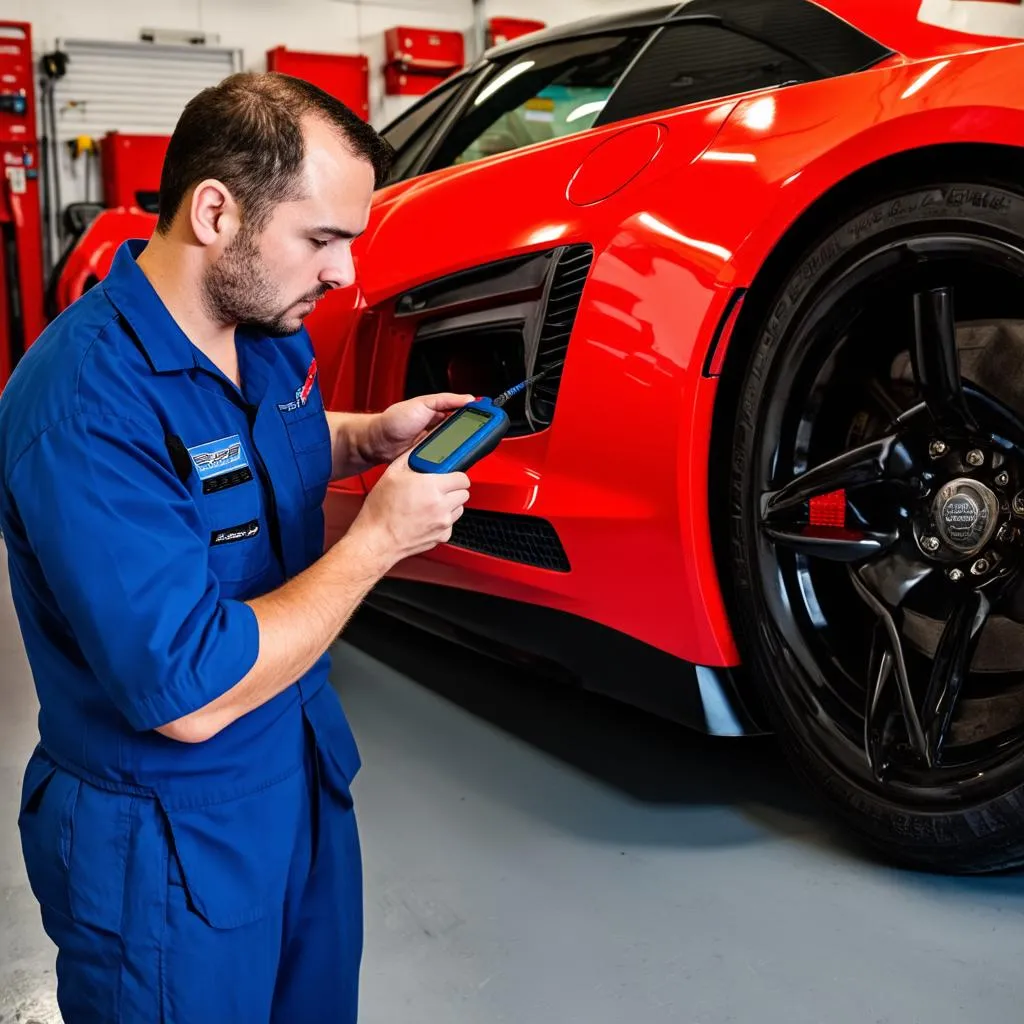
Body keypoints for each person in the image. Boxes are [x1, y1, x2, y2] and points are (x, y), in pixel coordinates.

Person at [0, 71, 473, 1023]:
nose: (343, 274)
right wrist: (378, 540)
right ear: (216, 211)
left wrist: (364, 433)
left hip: (295, 774)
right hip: (164, 837)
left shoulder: (259, 329)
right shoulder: (86, 406)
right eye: (322, 239)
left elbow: (244, 449)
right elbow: (191, 691)